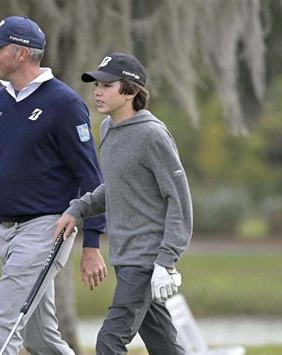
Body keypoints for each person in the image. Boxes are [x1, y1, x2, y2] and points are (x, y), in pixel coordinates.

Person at [0, 16, 107, 355]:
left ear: (21, 54)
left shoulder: (64, 103)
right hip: (8, 232)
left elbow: (91, 178)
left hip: (47, 229)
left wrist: (91, 244)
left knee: (3, 323)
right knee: (38, 337)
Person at [54, 52, 193, 354]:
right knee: (163, 344)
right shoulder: (108, 130)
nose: (97, 91)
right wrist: (77, 209)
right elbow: (115, 189)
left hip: (146, 261)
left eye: (106, 85)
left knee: (109, 341)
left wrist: (166, 261)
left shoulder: (152, 135)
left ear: (130, 91)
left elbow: (179, 200)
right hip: (125, 256)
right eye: (96, 85)